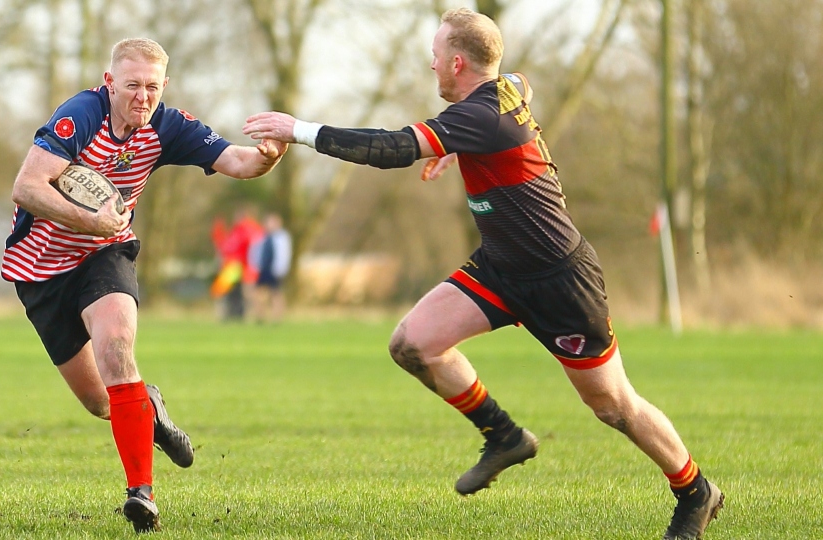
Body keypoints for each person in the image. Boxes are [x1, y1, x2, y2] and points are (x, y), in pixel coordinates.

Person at [243, 8, 722, 539]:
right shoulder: (502, 93)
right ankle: (504, 435)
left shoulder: (482, 117)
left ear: (456, 61)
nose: (430, 66)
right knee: (412, 345)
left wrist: (298, 130)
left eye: (435, 56)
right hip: (499, 268)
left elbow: (392, 149)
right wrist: (456, 149)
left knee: (612, 405)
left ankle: (696, 491)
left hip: (560, 277)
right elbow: (522, 82)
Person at [1, 38, 286, 533]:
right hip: (41, 271)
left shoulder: (168, 126)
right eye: (132, 84)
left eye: (152, 86)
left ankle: (141, 494)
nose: (142, 95)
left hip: (104, 257)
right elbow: (26, 187)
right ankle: (148, 405)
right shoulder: (80, 116)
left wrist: (269, 155)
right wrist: (88, 220)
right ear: (110, 83)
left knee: (116, 348)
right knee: (101, 404)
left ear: (164, 87)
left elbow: (239, 163)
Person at [248, 212, 292, 323]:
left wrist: (281, 269)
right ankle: (260, 316)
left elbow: (285, 254)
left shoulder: (282, 237)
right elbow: (254, 252)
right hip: (262, 269)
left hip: (275, 270)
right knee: (257, 293)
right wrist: (254, 266)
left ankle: (277, 317)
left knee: (276, 293)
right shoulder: (260, 236)